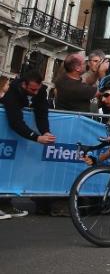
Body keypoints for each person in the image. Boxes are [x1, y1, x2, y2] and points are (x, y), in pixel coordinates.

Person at [0, 70, 53, 219]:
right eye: (32, 90)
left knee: (11, 169)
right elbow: (15, 122)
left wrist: (45, 132)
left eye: (37, 89)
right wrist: (36, 138)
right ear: (24, 84)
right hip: (8, 132)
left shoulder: (40, 91)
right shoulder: (12, 92)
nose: (35, 93)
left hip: (16, 141)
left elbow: (42, 113)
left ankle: (5, 203)